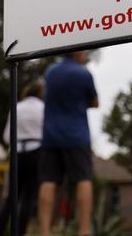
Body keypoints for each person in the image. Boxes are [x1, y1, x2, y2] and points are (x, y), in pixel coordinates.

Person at [38, 51, 99, 236]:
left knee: (48, 180)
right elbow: (95, 102)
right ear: (78, 52)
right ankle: (83, 231)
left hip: (51, 135)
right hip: (76, 136)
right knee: (83, 180)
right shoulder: (83, 73)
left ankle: (45, 231)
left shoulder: (50, 71)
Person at [0, 80, 45, 236]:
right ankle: (20, 232)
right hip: (37, 152)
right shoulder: (43, 108)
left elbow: (7, 136)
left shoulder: (17, 107)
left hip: (18, 153)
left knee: (12, 196)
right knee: (28, 197)